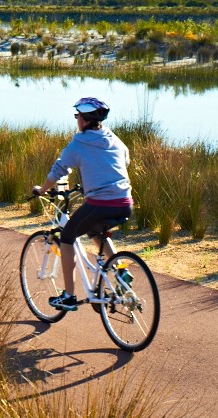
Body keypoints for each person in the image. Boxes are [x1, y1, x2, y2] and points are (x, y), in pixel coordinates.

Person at [32, 97, 132, 312]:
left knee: (67, 237)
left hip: (101, 204)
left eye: (78, 116)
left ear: (85, 121)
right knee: (94, 230)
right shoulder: (113, 138)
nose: (76, 120)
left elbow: (59, 169)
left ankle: (68, 296)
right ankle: (120, 270)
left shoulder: (79, 142)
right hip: (125, 202)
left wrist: (42, 190)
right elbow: (125, 160)